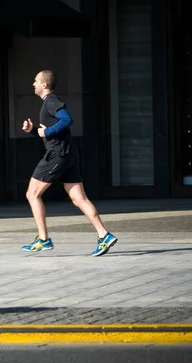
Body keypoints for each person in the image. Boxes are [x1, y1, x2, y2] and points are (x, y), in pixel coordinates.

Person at [21, 70, 117, 256]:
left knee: (32, 194)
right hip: (67, 155)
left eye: (35, 81)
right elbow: (52, 132)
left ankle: (43, 239)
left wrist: (47, 132)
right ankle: (103, 235)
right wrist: (33, 130)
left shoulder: (51, 101)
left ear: (44, 85)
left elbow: (67, 120)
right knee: (79, 199)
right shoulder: (48, 103)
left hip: (57, 155)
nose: (33, 84)